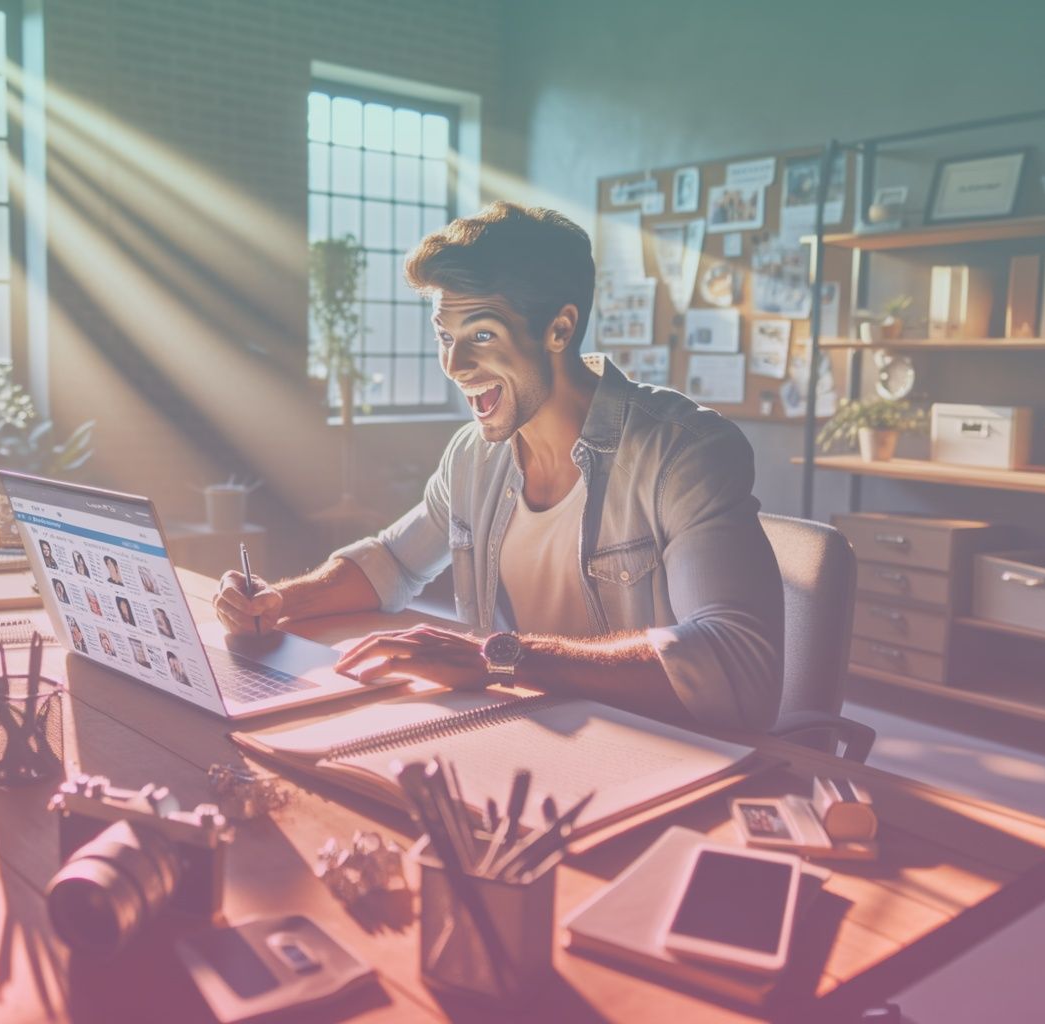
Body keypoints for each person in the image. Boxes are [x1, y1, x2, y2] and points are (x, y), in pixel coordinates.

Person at [214, 202, 783, 731]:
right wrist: (281, 602)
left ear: (559, 329)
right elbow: (391, 562)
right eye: (445, 336)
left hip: (657, 750)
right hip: (519, 731)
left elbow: (735, 666)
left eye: (481, 335)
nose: (456, 365)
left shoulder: (684, 451)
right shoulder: (472, 454)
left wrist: (499, 659)